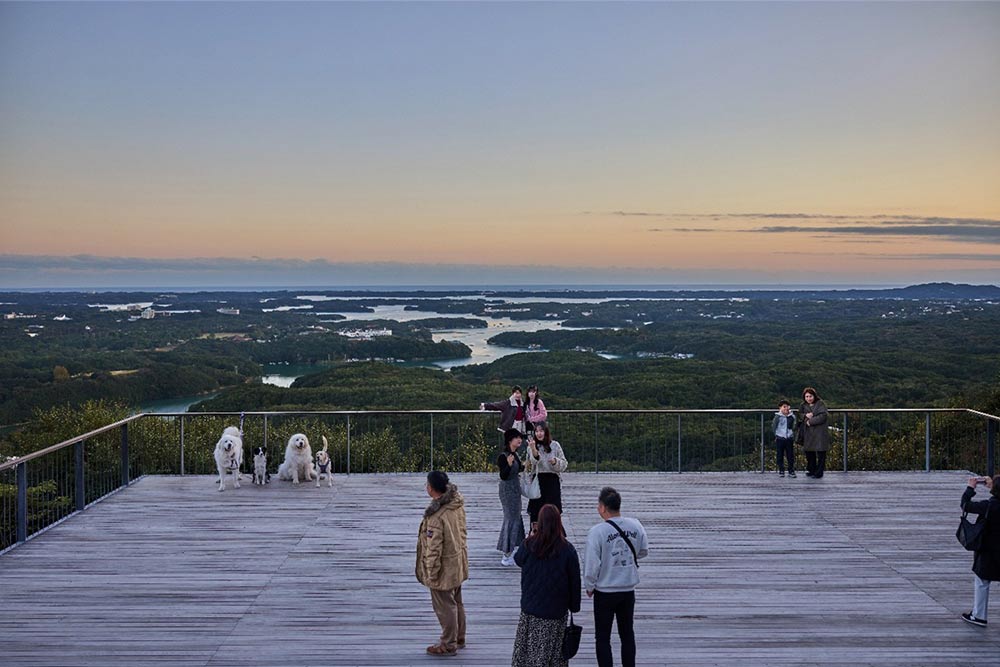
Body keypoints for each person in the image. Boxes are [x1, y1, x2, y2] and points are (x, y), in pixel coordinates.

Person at [584, 487, 648, 667]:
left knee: (603, 638)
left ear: (603, 508)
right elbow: (643, 550)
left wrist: (589, 586)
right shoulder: (635, 525)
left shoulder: (597, 532)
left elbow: (591, 565)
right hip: (628, 589)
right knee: (627, 634)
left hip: (604, 591)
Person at [511, 504, 582, 667]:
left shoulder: (529, 545)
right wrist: (574, 606)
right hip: (556, 612)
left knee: (526, 653)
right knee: (554, 655)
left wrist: (530, 536)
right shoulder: (567, 550)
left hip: (531, 610)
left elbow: (518, 560)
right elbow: (575, 582)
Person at [416, 470, 469, 657]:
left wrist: (431, 573)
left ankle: (448, 643)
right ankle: (459, 637)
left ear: (431, 488)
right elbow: (463, 532)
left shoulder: (436, 516)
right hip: (458, 560)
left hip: (444, 568)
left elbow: (434, 549)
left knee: (444, 605)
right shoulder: (456, 504)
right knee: (457, 601)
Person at [960, 474, 1000, 627]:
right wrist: (993, 485)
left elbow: (965, 505)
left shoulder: (988, 506)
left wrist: (971, 488)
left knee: (982, 581)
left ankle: (979, 615)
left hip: (988, 550)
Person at [526, 423, 568, 526]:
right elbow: (532, 464)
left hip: (552, 481)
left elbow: (564, 464)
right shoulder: (531, 446)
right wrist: (533, 449)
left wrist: (555, 462)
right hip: (538, 481)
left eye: (541, 431)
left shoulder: (555, 445)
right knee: (536, 512)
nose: (539, 434)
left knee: (553, 512)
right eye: (536, 431)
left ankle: (554, 537)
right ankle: (536, 537)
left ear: (546, 432)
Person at [497, 428, 527, 566]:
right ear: (510, 440)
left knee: (516, 516)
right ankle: (506, 553)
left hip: (515, 488)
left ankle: (517, 547)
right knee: (511, 517)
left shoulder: (515, 454)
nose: (519, 440)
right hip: (507, 489)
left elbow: (518, 469)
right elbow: (503, 475)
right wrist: (508, 465)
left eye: (520, 438)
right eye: (517, 438)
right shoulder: (504, 456)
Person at [798, 387, 831, 478]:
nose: (809, 398)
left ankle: (819, 472)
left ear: (814, 396)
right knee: (809, 452)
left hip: (819, 432)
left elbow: (823, 416)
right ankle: (811, 470)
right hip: (808, 432)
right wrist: (805, 416)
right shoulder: (803, 405)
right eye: (807, 396)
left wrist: (810, 421)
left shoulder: (820, 404)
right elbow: (799, 415)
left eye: (810, 396)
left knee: (821, 453)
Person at [771, 400, 797, 478]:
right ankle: (781, 470)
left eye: (787, 407)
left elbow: (794, 426)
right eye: (784, 407)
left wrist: (792, 434)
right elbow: (774, 426)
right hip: (780, 438)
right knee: (780, 455)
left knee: (790, 455)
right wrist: (776, 435)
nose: (786, 409)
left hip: (789, 438)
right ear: (780, 408)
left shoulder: (792, 416)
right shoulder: (777, 417)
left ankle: (791, 470)